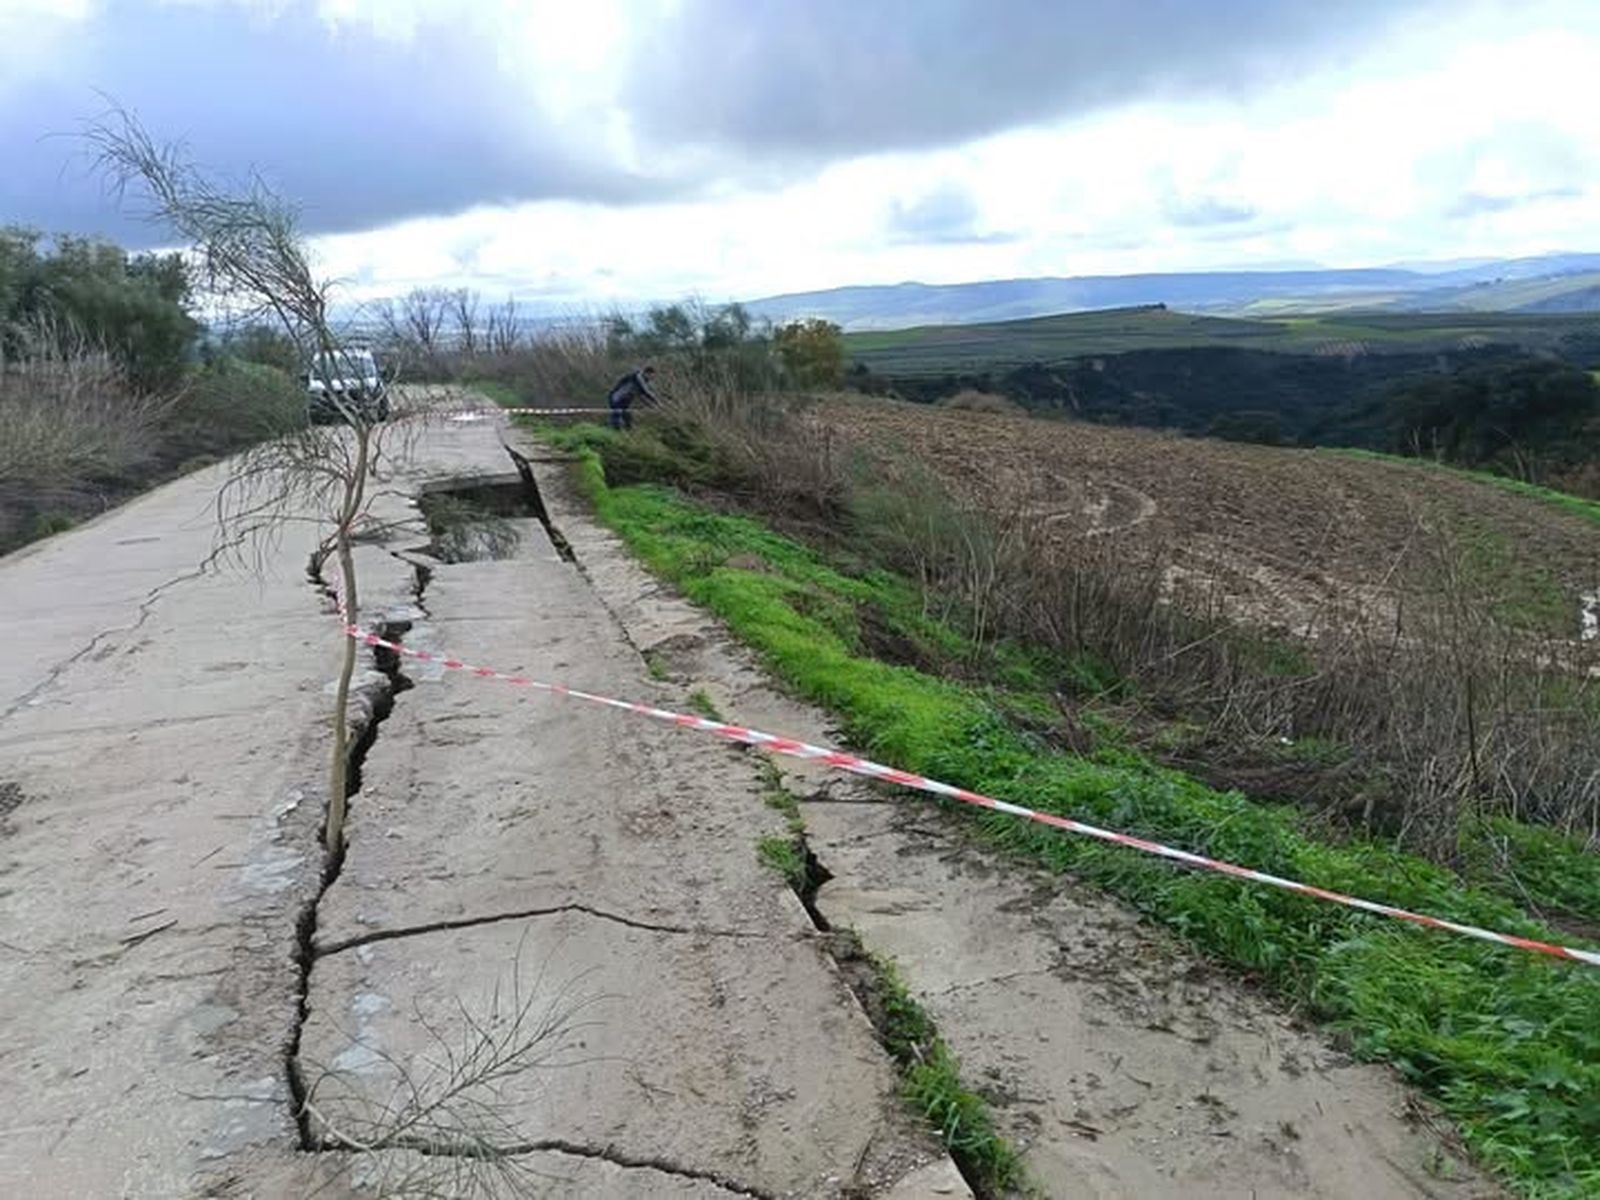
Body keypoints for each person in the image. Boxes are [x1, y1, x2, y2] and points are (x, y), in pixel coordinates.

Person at [607, 364, 659, 431]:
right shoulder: (638, 378)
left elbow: (641, 396)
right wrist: (657, 402)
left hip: (625, 400)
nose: (651, 378)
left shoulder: (643, 381)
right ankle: (615, 432)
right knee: (616, 417)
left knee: (628, 418)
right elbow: (646, 392)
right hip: (616, 398)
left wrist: (652, 405)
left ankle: (627, 433)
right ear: (646, 373)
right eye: (651, 376)